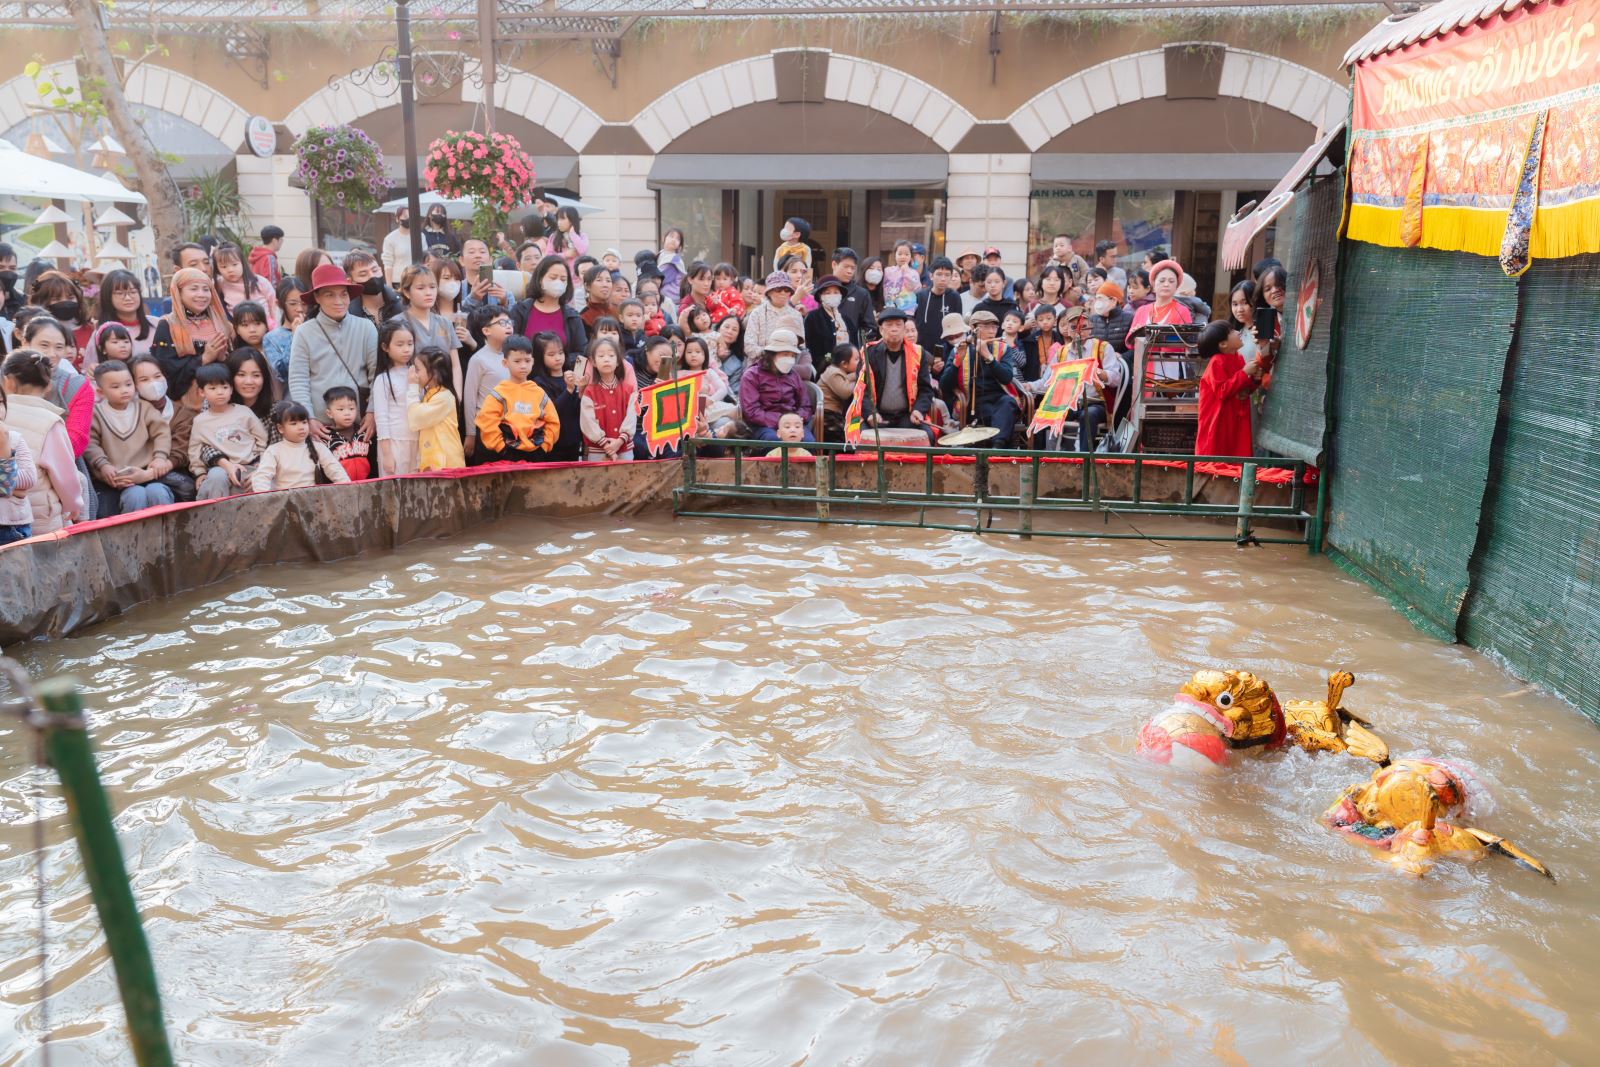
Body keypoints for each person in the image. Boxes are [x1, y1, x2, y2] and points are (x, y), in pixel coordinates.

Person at [288, 263, 379, 443]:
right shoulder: (304, 332)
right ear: (317, 297)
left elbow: (377, 373)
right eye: (330, 294)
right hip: (321, 426)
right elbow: (298, 379)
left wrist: (372, 411)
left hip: (360, 423)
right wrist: (309, 418)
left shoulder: (366, 327)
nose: (339, 301)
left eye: (343, 294)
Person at [1, 349, 83, 533]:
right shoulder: (50, 422)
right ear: (48, 386)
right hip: (40, 518)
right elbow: (65, 474)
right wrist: (74, 503)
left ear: (7, 381)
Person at [151, 267, 233, 417]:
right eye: (194, 289)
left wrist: (223, 358)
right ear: (178, 292)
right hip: (185, 408)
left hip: (225, 401)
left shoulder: (222, 323)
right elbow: (167, 370)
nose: (201, 295)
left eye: (206, 289)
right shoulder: (168, 325)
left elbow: (237, 362)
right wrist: (204, 359)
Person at [941, 308, 1022, 444]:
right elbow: (945, 386)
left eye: (994, 326)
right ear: (973, 328)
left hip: (999, 399)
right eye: (986, 326)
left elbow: (1007, 378)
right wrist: (957, 362)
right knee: (999, 415)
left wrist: (989, 357)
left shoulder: (1003, 348)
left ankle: (997, 447)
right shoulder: (959, 349)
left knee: (1008, 403)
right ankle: (996, 448)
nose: (992, 331)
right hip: (971, 402)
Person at [188, 362, 266, 499]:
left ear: (231, 390)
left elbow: (262, 438)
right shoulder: (200, 421)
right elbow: (195, 449)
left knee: (255, 487)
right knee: (215, 477)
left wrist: (263, 463)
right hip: (220, 469)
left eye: (225, 387)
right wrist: (199, 472)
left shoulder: (244, 412)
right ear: (201, 392)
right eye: (212, 388)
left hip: (250, 466)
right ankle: (215, 516)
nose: (220, 392)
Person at [474, 337, 558, 462]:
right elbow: (487, 423)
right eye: (517, 361)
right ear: (505, 363)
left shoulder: (539, 393)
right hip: (506, 455)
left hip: (536, 454)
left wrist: (544, 446)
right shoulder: (499, 393)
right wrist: (502, 448)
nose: (523, 366)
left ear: (533, 361)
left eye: (527, 361)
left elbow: (553, 422)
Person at [1195, 319, 1269, 458]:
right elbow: (1222, 391)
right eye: (1231, 331)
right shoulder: (1217, 362)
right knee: (1218, 457)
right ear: (1223, 344)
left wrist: (1255, 379)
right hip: (1219, 422)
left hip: (1236, 418)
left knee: (1236, 455)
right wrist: (1245, 373)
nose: (1237, 332)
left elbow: (1243, 390)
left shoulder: (1238, 358)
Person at [861, 308, 935, 442]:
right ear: (881, 330)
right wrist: (870, 413)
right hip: (878, 415)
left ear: (904, 329)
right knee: (859, 439)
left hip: (906, 416)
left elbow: (925, 389)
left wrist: (918, 410)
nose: (894, 329)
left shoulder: (918, 353)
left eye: (898, 325)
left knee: (928, 436)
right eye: (889, 325)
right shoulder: (869, 353)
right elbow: (861, 389)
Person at [249, 401, 350, 492]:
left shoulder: (318, 448)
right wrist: (266, 499)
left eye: (304, 422)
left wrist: (348, 490)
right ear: (280, 428)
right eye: (294, 423)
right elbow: (262, 478)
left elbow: (337, 472)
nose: (301, 427)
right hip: (285, 505)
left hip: (314, 502)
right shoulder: (274, 451)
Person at [396, 265, 463, 399]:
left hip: (444, 398)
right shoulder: (397, 324)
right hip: (411, 399)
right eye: (421, 288)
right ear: (407, 292)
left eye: (432, 287)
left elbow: (455, 365)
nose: (428, 292)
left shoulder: (445, 323)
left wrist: (457, 396)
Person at [738, 328, 813, 443]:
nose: (790, 359)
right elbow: (751, 411)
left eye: (792, 356)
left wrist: (795, 420)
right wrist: (781, 421)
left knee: (809, 442)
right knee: (773, 440)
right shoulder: (752, 375)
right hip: (763, 426)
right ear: (771, 354)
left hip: (792, 424)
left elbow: (805, 405)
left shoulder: (794, 375)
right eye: (785, 354)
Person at [462, 309, 515, 461]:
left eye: (509, 322)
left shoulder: (514, 357)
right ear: (486, 330)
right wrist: (471, 434)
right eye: (502, 323)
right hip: (486, 428)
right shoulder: (479, 359)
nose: (508, 326)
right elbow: (470, 399)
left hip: (511, 427)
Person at [1126, 259, 1193, 381]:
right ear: (1153, 285)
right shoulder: (1142, 310)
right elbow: (1130, 342)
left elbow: (1187, 339)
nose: (1166, 284)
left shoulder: (1182, 311)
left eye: (1171, 281)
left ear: (1176, 286)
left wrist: (1156, 339)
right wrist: (1135, 335)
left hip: (1170, 369)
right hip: (1143, 368)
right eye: (1162, 280)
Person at [510, 255, 588, 358]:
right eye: (553, 277)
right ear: (540, 279)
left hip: (562, 372)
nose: (558, 282)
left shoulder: (572, 316)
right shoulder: (520, 310)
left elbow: (581, 352)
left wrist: (561, 363)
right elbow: (509, 345)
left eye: (563, 279)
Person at [371, 319, 418, 476]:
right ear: (385, 347)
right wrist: (387, 455)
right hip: (395, 443)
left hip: (419, 441)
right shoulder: (383, 379)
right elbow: (382, 419)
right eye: (400, 344)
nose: (406, 349)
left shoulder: (419, 374)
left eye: (410, 344)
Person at [406, 347, 465, 471]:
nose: (414, 373)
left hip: (446, 463)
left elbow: (415, 419)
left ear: (434, 373)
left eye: (417, 369)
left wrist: (412, 387)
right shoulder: (431, 394)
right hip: (435, 462)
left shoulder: (444, 397)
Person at [579, 336, 636, 462]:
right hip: (597, 450)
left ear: (618, 362)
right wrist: (605, 444)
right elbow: (587, 422)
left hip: (624, 448)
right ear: (593, 362)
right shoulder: (589, 392)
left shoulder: (629, 390)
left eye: (611, 355)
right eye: (601, 356)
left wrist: (620, 440)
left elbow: (632, 416)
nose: (606, 359)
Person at [744, 271, 810, 378]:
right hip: (760, 369)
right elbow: (749, 346)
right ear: (769, 292)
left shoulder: (796, 315)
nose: (783, 293)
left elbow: (801, 347)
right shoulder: (757, 313)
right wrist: (773, 355)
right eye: (778, 289)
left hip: (788, 370)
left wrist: (786, 360)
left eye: (787, 289)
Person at [530, 331, 582, 462]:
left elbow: (578, 410)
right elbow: (552, 411)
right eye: (551, 354)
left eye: (560, 352)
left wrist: (581, 391)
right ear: (540, 357)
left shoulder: (571, 376)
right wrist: (569, 390)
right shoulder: (539, 382)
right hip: (552, 442)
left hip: (573, 439)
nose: (558, 358)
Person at [0, 387, 38, 545]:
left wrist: (4, 444)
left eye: (1, 402)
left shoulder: (14, 439)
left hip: (12, 526)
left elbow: (29, 477)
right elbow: (5, 486)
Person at [91, 269, 156, 360]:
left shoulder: (157, 324)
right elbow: (91, 368)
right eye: (120, 293)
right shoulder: (101, 333)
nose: (128, 298)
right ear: (107, 297)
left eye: (133, 292)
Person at [28, 271, 94, 361]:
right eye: (56, 299)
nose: (65, 302)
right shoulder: (35, 333)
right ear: (42, 302)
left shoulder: (91, 330)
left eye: (70, 298)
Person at [213, 244, 278, 328]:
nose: (230, 270)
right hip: (239, 330)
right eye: (224, 267)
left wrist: (276, 328)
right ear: (217, 269)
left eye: (235, 264)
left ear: (243, 263)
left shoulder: (260, 281)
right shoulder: (220, 283)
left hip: (265, 327)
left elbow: (274, 305)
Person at [912, 257, 963, 354]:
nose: (943, 278)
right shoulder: (920, 296)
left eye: (947, 275)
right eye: (939, 274)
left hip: (947, 352)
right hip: (921, 351)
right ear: (931, 276)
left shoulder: (954, 297)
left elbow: (957, 328)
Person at [322, 386, 372, 480]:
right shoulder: (325, 436)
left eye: (351, 408)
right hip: (339, 487)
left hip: (367, 485)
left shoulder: (363, 431)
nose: (347, 413)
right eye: (341, 409)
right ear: (329, 414)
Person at [227, 343, 279, 432]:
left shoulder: (275, 411)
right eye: (241, 375)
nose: (249, 382)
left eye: (256, 375)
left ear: (264, 378)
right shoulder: (215, 404)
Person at [804, 275, 851, 374]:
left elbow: (855, 345)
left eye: (836, 292)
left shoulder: (847, 319)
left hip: (849, 370)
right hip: (823, 372)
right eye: (827, 293)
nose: (832, 295)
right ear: (821, 296)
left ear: (841, 295)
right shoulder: (812, 317)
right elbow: (808, 347)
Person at [829, 248, 875, 345]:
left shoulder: (862, 294)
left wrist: (858, 346)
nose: (849, 271)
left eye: (853, 268)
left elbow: (869, 327)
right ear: (834, 265)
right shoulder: (819, 292)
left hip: (851, 352)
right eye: (846, 267)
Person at [818, 342, 860, 442]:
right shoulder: (833, 373)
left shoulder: (842, 372)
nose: (860, 362)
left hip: (835, 414)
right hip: (827, 416)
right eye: (856, 359)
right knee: (850, 438)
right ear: (844, 364)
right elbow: (846, 392)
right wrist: (859, 376)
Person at [345, 250, 402, 323]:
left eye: (375, 270)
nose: (372, 276)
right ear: (350, 281)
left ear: (381, 270)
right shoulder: (347, 312)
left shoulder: (401, 302)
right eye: (363, 274)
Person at [459, 237, 509, 312]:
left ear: (490, 260)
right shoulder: (456, 290)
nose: (478, 255)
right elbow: (454, 316)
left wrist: (504, 304)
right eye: (472, 252)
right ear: (462, 260)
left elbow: (513, 320)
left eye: (482, 252)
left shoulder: (503, 291)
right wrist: (472, 299)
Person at [1087, 281, 1134, 356]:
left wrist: (1122, 356)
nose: (1097, 302)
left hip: (1120, 363)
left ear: (1113, 300)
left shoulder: (1129, 319)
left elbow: (1134, 348)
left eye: (1100, 298)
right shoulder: (1092, 319)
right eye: (1096, 299)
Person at [882, 241, 922, 313]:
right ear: (894, 255)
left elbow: (915, 289)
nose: (903, 257)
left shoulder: (914, 273)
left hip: (907, 310)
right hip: (889, 308)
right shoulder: (887, 271)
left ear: (911, 257)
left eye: (906, 254)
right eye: (900, 254)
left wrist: (906, 272)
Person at [1228, 280, 1261, 362]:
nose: (1239, 309)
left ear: (1256, 301)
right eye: (1235, 304)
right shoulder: (1230, 332)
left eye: (1245, 302)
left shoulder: (1262, 330)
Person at [381, 206, 415, 284]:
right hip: (398, 281)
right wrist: (389, 286)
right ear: (397, 219)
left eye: (411, 216)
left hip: (418, 278)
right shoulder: (390, 238)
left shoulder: (420, 236)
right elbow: (388, 263)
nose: (408, 219)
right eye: (405, 216)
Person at [579, 264, 614, 332]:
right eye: (599, 280)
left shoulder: (618, 312)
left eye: (608, 281)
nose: (605, 285)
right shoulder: (583, 318)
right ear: (587, 286)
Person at [658, 227, 686, 306]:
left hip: (671, 298)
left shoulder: (675, 259)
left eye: (678, 239)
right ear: (664, 238)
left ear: (679, 245)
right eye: (671, 236)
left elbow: (662, 279)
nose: (674, 240)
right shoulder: (661, 254)